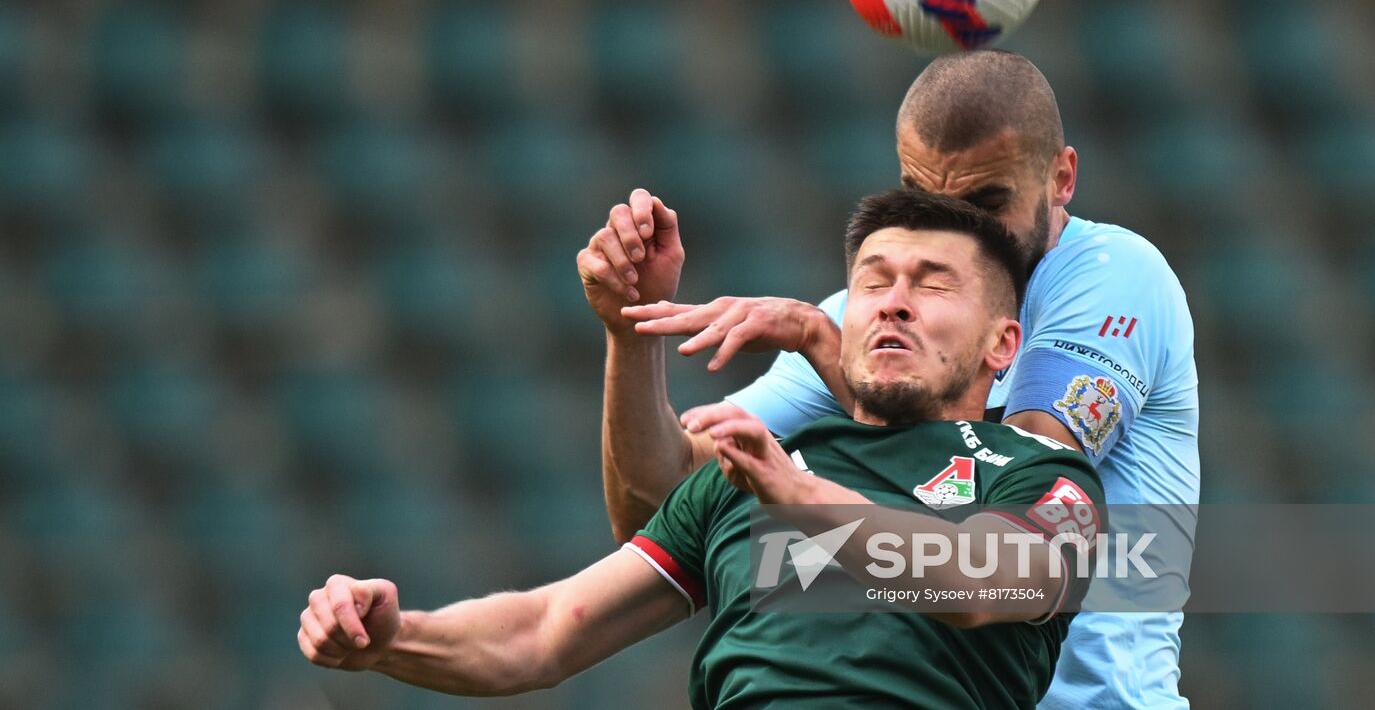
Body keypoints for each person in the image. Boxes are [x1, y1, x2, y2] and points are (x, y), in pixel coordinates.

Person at [300, 191, 1104, 708]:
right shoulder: (751, 473)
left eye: (932, 284)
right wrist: (393, 638)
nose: (893, 302)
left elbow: (982, 579)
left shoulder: (1040, 477)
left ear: (1005, 344)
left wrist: (803, 501)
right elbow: (542, 631)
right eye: (873, 280)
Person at [578, 50, 1199, 708]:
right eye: (931, 200)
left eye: (990, 202)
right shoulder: (872, 317)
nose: (965, 232)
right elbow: (659, 506)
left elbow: (1006, 492)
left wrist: (823, 344)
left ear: (1061, 177)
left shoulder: (1113, 275)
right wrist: (629, 331)